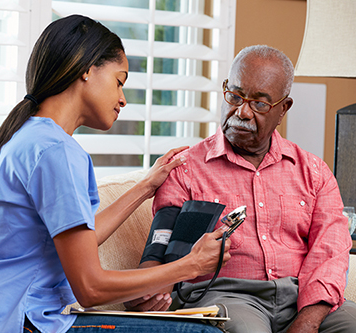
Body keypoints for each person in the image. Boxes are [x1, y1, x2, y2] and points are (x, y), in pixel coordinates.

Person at [0, 15, 231, 333]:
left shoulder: (11, 139)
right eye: (119, 81)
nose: (123, 99)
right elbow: (90, 288)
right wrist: (190, 265)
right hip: (24, 323)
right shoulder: (56, 151)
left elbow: (75, 241)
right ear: (86, 69)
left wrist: (145, 186)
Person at [126, 45, 356, 333]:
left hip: (301, 298)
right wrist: (145, 288)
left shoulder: (313, 172)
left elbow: (330, 252)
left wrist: (307, 322)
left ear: (283, 109)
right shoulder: (185, 169)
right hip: (228, 297)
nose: (242, 112)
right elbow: (159, 250)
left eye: (259, 103)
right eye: (234, 96)